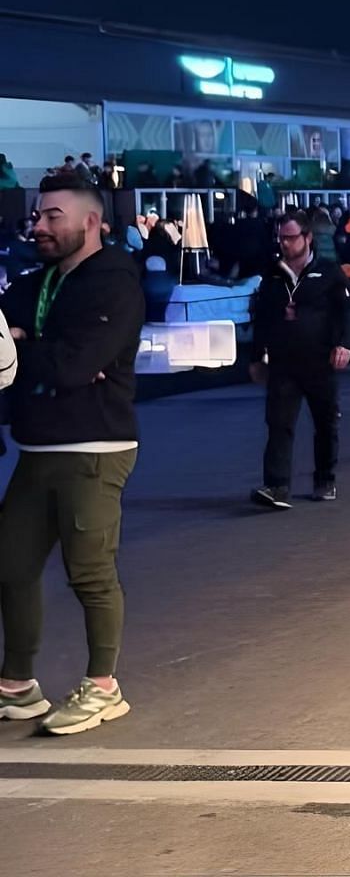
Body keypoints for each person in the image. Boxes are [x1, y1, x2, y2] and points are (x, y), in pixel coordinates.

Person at [0, 174, 145, 735]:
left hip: (96, 447)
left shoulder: (114, 283)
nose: (38, 225)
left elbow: (73, 366)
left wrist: (26, 351)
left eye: (52, 216)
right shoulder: (34, 285)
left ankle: (104, 687)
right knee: (10, 566)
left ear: (90, 222)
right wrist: (44, 352)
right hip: (36, 448)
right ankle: (17, 685)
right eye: (37, 216)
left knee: (90, 573)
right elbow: (55, 359)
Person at [247, 212, 350, 508]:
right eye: (281, 237)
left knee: (325, 423)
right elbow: (263, 319)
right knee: (279, 423)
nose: (284, 243)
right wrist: (257, 357)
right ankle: (277, 485)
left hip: (320, 361)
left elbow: (348, 311)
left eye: (290, 237)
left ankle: (325, 478)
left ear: (307, 238)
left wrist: (345, 344)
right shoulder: (272, 275)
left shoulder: (329, 272)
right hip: (284, 363)